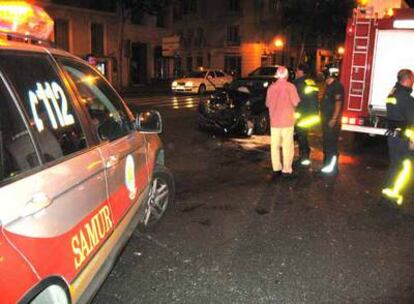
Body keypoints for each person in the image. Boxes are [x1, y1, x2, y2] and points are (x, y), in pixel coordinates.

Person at [382, 69, 414, 205]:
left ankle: (387, 192)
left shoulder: (392, 93)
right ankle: (393, 194)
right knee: (405, 167)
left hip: (393, 137)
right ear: (407, 80)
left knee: (395, 165)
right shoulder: (407, 99)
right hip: (403, 138)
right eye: (412, 79)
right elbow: (412, 121)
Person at [265, 66, 300, 179]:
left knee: (274, 146)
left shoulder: (271, 88)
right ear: (286, 75)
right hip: (287, 121)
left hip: (274, 122)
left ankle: (276, 168)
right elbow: (295, 103)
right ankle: (287, 169)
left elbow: (267, 104)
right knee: (287, 146)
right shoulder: (291, 87)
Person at [318, 64, 344, 176]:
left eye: (324, 73)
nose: (322, 75)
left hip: (331, 122)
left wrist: (333, 119)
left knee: (331, 146)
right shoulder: (329, 85)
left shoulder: (337, 86)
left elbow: (338, 103)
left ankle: (332, 169)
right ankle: (326, 166)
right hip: (326, 120)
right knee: (327, 145)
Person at [293, 63, 320, 167]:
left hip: (303, 114)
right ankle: (305, 155)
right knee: (303, 135)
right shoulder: (311, 81)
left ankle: (304, 159)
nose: (295, 73)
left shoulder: (298, 83)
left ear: (301, 71)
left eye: (297, 71)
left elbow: (295, 100)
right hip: (312, 114)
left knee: (301, 136)